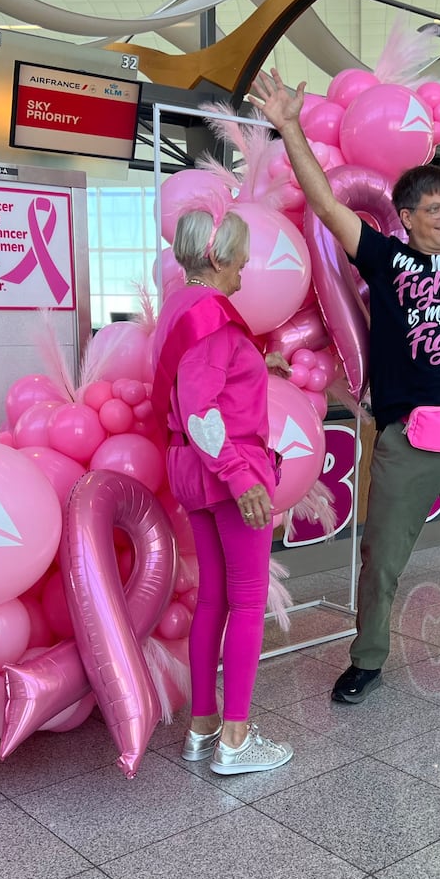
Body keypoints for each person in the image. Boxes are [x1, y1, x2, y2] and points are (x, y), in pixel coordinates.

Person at [250, 64, 440, 712]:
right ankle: (366, 660)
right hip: (406, 441)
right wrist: (288, 128)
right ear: (407, 216)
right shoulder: (383, 258)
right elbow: (325, 202)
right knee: (381, 565)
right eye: (435, 209)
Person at [151, 208, 295, 775]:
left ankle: (203, 726)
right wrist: (240, 477)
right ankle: (236, 740)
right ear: (216, 258)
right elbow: (201, 409)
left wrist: (261, 365)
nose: (245, 268)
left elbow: (199, 383)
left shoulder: (180, 309)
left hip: (189, 469)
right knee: (248, 600)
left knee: (214, 597)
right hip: (227, 469)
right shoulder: (212, 314)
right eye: (239, 258)